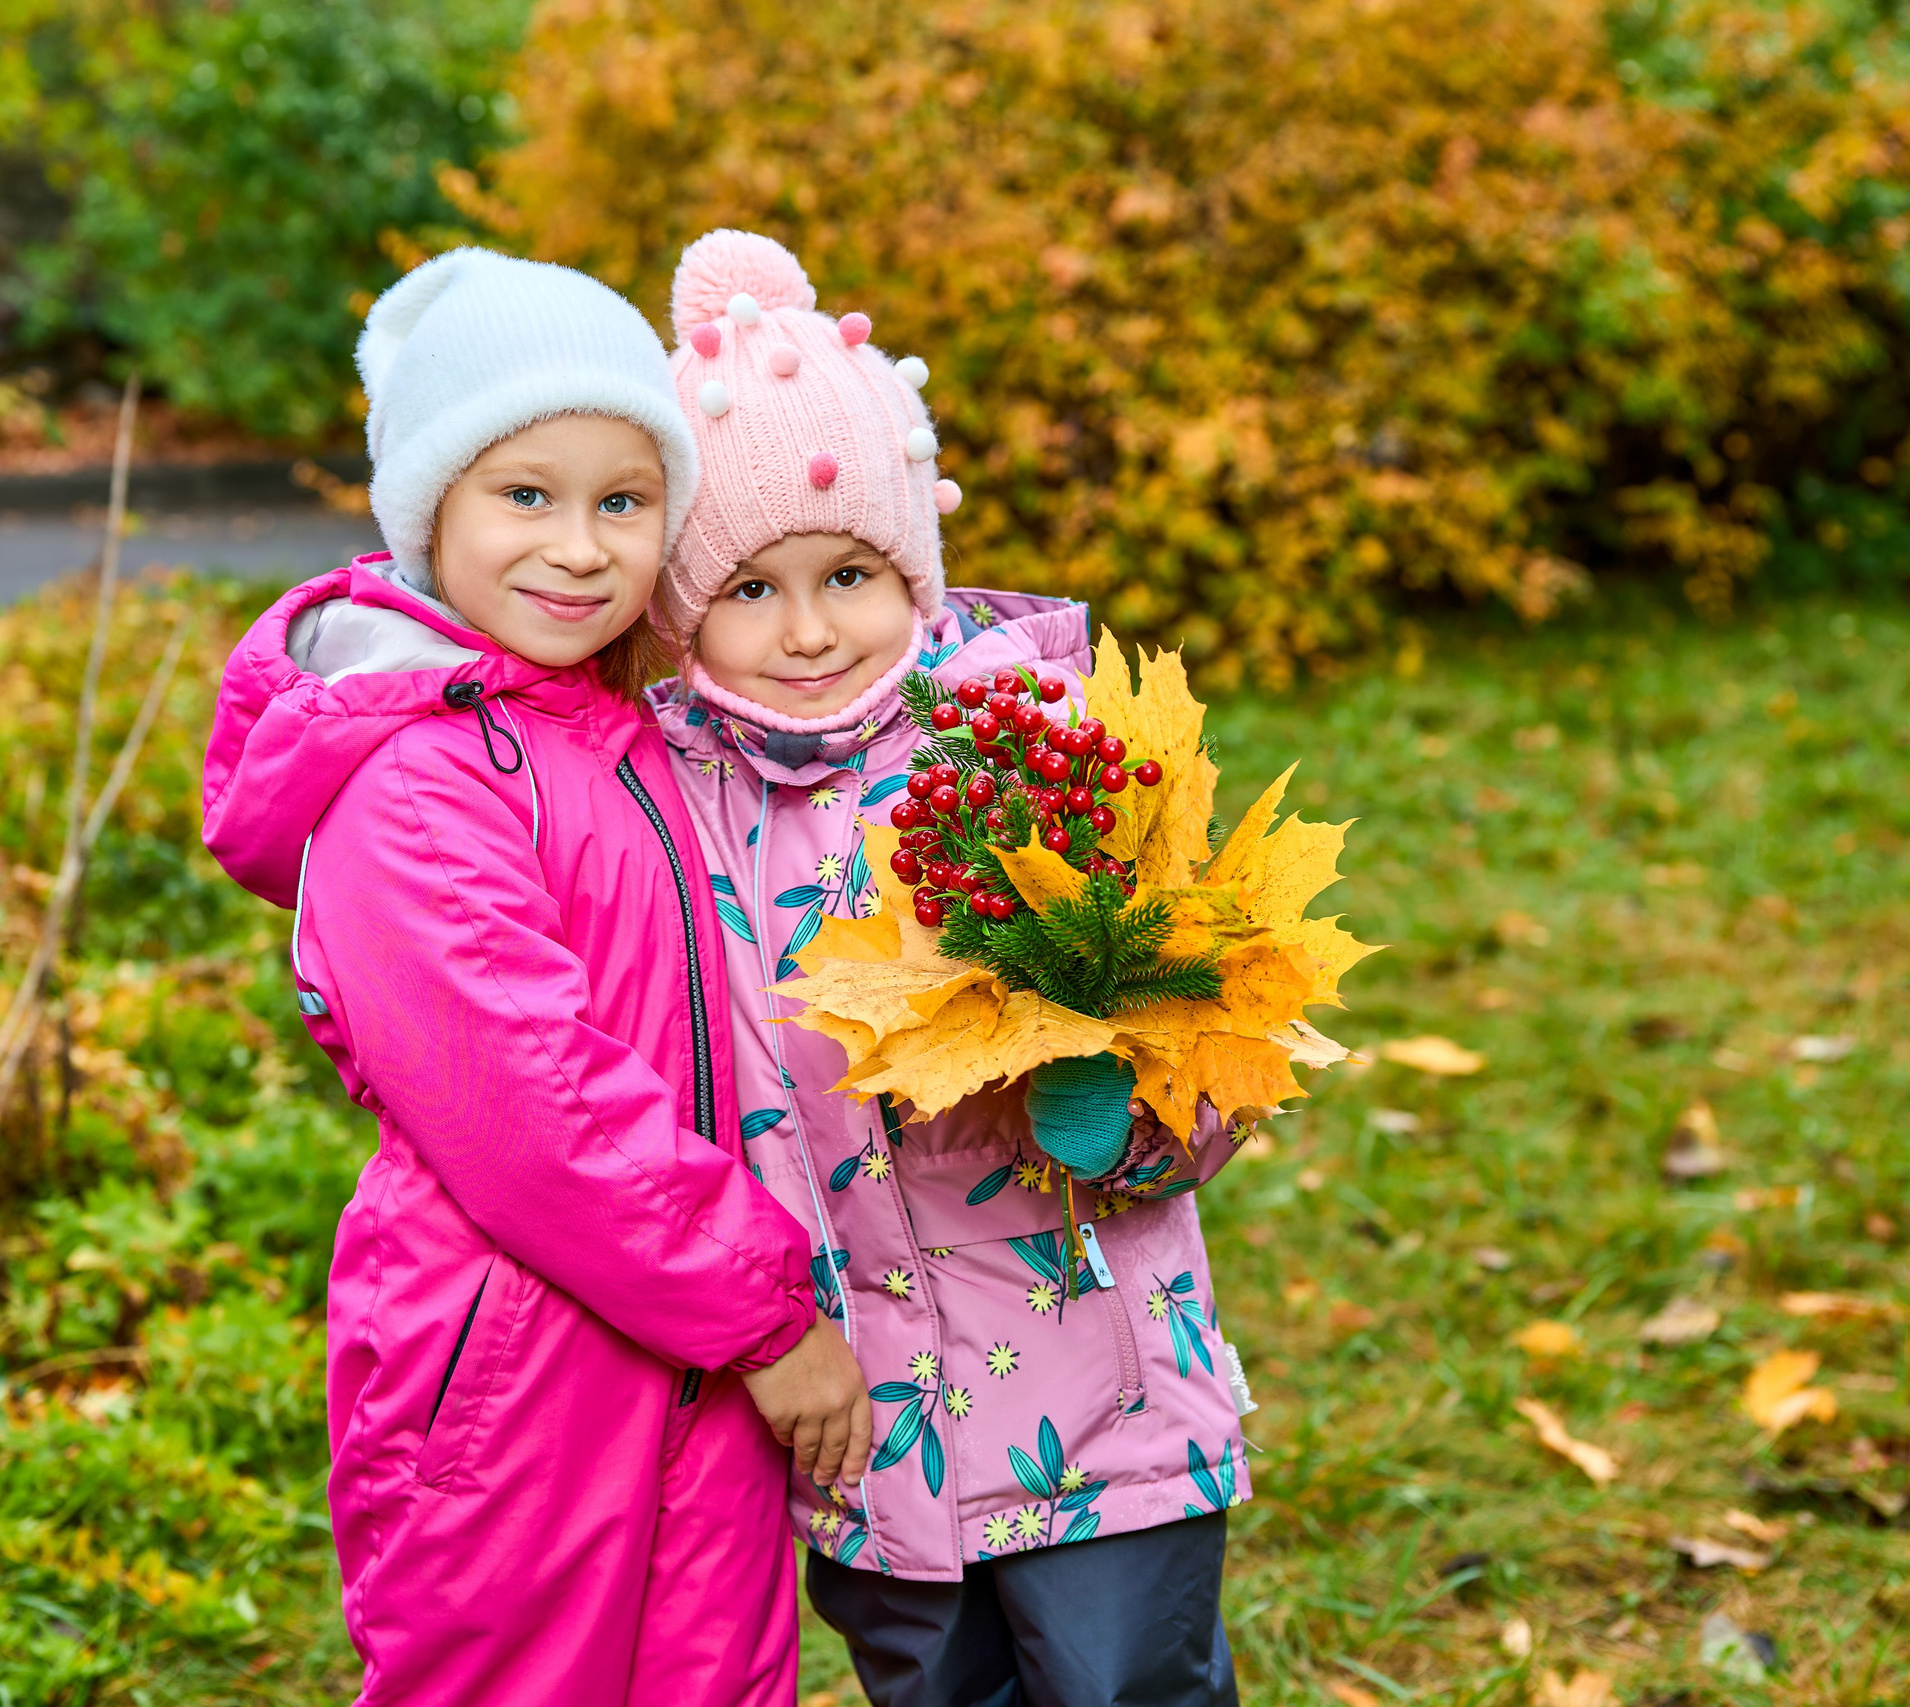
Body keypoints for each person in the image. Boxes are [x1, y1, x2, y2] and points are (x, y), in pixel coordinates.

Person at [200, 246, 871, 1707]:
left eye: (623, 503)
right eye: (527, 495)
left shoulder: (599, 728)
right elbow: (533, 1099)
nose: (578, 547)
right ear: (426, 511)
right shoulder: (415, 781)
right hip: (516, 1371)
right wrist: (763, 1314)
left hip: (677, 1349)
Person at [648, 230, 1262, 1707]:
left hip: (1096, 1381)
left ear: (912, 565)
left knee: (1128, 1688)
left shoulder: (1029, 757)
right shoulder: (670, 806)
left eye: (850, 573)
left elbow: (1205, 1009)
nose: (808, 631)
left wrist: (1136, 1115)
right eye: (751, 589)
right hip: (861, 1411)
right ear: (681, 608)